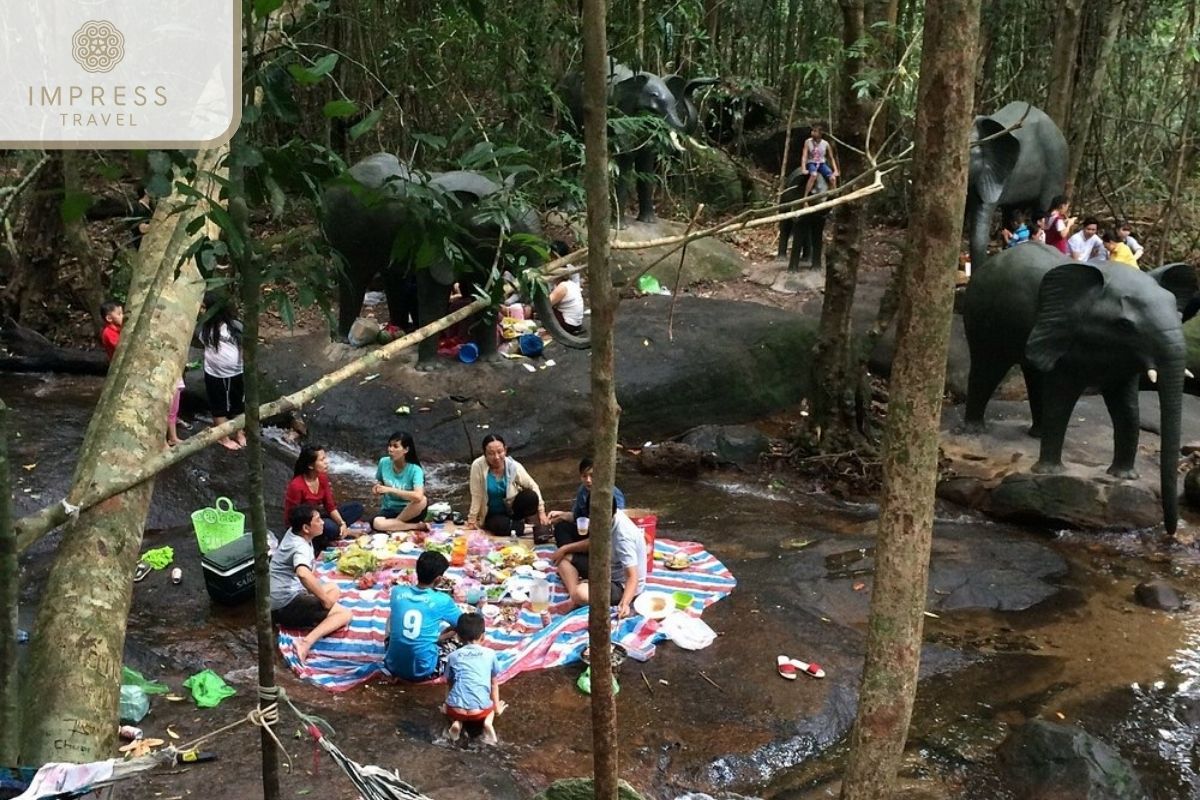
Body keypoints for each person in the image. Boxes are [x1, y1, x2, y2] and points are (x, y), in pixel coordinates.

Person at [269, 504, 353, 664]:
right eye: (318, 520)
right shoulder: (300, 546)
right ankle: (305, 642)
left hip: (279, 595)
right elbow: (302, 573)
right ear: (306, 528)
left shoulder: (293, 532)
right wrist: (325, 601)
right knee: (344, 614)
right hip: (284, 605)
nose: (323, 522)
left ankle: (318, 617)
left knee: (333, 589)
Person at [552, 499, 646, 619]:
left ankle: (577, 595)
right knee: (562, 559)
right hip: (604, 567)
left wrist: (625, 603)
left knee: (581, 593)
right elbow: (594, 541)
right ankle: (575, 596)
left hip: (620, 585)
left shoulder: (623, 538)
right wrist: (565, 548)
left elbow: (632, 577)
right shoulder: (605, 518)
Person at [384, 551, 462, 681]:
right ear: (438, 579)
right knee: (462, 636)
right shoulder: (442, 600)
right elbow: (461, 624)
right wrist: (442, 636)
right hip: (424, 670)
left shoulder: (397, 592)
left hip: (392, 665)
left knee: (393, 617)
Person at [548, 457, 627, 576]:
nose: (588, 480)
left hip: (604, 539)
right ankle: (574, 558)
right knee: (561, 527)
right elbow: (577, 517)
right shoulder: (583, 491)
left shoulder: (612, 494)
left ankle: (573, 560)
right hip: (588, 532)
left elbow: (613, 527)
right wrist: (562, 515)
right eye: (584, 476)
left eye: (592, 476)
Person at [284, 445, 365, 551]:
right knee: (329, 527)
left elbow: (330, 505)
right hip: (306, 523)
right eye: (322, 460)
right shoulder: (297, 485)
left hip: (318, 516)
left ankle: (337, 532)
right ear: (310, 465)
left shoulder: (322, 478)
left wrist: (342, 523)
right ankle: (339, 533)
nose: (326, 462)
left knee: (356, 508)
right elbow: (293, 517)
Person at [442, 612, 506, 744]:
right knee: (491, 708)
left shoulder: (453, 656)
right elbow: (494, 684)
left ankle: (457, 723)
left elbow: (449, 684)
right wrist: (497, 708)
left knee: (455, 706)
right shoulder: (490, 654)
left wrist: (446, 706)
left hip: (455, 710)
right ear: (483, 636)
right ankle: (488, 723)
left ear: (458, 637)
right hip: (479, 713)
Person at [467, 434, 548, 536]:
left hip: (511, 511)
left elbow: (533, 486)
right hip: (492, 514)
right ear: (485, 454)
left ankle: (518, 525)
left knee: (530, 496)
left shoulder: (513, 466)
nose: (496, 457)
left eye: (500, 452)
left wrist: (542, 512)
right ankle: (528, 528)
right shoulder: (477, 466)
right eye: (491, 453)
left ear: (505, 450)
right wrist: (472, 519)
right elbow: (476, 495)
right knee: (499, 526)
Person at [199, 292, 246, 450]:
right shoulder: (204, 327)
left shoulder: (234, 326)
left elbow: (245, 346)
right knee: (218, 406)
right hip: (214, 373)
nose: (201, 311)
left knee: (238, 404)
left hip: (236, 372)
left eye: (204, 308)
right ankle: (223, 438)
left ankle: (239, 433)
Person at [371, 431, 429, 532]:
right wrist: (377, 488)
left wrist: (390, 490)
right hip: (390, 509)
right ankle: (415, 526)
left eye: (395, 446)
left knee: (422, 500)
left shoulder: (415, 470)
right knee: (377, 522)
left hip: (410, 511)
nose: (390, 449)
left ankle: (394, 525)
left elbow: (418, 496)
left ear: (406, 449)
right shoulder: (383, 462)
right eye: (389, 446)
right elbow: (380, 482)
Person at [801, 124, 839, 197]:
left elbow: (831, 158)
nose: (812, 133)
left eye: (815, 131)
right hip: (812, 162)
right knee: (813, 175)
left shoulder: (825, 144)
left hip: (821, 163)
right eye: (812, 131)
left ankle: (835, 194)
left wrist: (835, 170)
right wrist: (803, 168)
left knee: (833, 178)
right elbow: (804, 156)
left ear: (819, 134)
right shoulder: (808, 142)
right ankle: (805, 196)